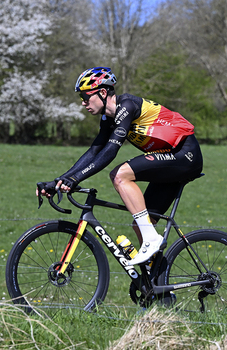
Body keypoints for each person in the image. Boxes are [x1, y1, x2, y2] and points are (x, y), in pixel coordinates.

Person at [40, 67, 203, 266]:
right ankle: (159, 287)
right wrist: (60, 180)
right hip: (169, 159)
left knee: (120, 175)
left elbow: (110, 151)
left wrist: (75, 179)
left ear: (102, 92)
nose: (82, 102)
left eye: (85, 96)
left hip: (184, 154)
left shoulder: (127, 106)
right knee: (140, 224)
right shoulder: (108, 119)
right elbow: (94, 152)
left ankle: (151, 239)